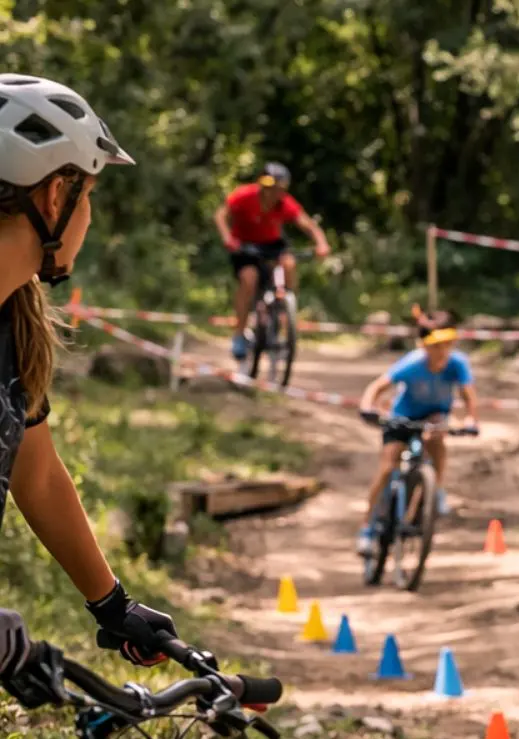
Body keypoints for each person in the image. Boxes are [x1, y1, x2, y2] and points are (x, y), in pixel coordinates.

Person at [0, 74, 179, 674]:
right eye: (89, 194)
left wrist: (112, 603)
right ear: (54, 196)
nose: (90, 215)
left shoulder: (11, 322)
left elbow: (38, 471)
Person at [356, 311, 480, 554]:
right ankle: (367, 528)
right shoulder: (412, 363)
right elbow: (378, 386)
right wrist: (367, 406)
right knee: (388, 466)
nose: (442, 351)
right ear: (425, 347)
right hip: (403, 416)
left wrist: (472, 419)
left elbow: (468, 394)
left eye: (447, 345)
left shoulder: (458, 364)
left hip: (435, 415)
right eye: (436, 346)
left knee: (437, 444)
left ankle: (434, 492)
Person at [213, 162, 331, 361]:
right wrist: (227, 237)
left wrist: (322, 244)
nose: (272, 192)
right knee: (249, 279)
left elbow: (308, 224)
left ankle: (285, 306)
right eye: (268, 185)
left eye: (277, 188)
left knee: (289, 264)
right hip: (244, 247)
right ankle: (239, 334)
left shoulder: (286, 203)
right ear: (261, 183)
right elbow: (220, 215)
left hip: (272, 245)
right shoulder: (244, 195)